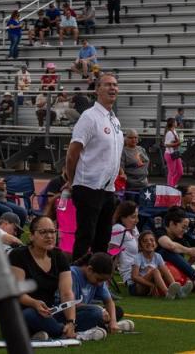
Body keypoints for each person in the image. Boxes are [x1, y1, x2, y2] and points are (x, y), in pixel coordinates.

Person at [64, 73, 122, 260]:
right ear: (97, 90)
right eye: (107, 85)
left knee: (102, 240)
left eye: (115, 85)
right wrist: (72, 181)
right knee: (85, 237)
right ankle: (75, 280)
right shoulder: (89, 117)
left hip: (107, 189)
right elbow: (73, 152)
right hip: (88, 186)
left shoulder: (115, 120)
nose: (112, 88)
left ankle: (98, 283)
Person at [9, 216, 84, 341]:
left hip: (49, 312)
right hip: (25, 311)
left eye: (52, 231)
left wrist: (71, 321)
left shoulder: (59, 256)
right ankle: (68, 332)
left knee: (93, 313)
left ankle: (58, 330)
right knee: (30, 315)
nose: (49, 236)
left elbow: (66, 293)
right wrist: (35, 303)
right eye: (43, 232)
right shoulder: (18, 255)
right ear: (31, 236)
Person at [70, 252, 130, 337]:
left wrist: (112, 320)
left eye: (103, 281)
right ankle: (94, 329)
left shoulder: (98, 280)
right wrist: (99, 309)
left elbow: (109, 301)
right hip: (68, 314)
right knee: (96, 313)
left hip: (86, 311)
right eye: (99, 279)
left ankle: (109, 325)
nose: (100, 284)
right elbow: (71, 303)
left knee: (117, 311)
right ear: (89, 269)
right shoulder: (72, 274)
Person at [129, 230, 183, 299]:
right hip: (137, 288)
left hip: (150, 285)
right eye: (145, 241)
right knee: (155, 271)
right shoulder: (138, 257)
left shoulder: (158, 256)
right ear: (140, 246)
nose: (149, 242)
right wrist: (151, 285)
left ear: (156, 244)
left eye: (152, 240)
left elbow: (165, 271)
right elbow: (134, 277)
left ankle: (178, 289)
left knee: (164, 269)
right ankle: (167, 293)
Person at [119, 129, 149, 196]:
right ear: (126, 138)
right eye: (131, 137)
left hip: (144, 184)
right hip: (131, 187)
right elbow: (121, 168)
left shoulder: (141, 149)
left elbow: (146, 163)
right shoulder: (123, 151)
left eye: (135, 137)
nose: (134, 139)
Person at [162, 118, 183, 187]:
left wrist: (178, 142)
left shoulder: (174, 131)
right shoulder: (169, 133)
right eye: (176, 122)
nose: (177, 123)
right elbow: (166, 144)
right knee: (172, 172)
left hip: (175, 153)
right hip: (170, 154)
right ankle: (170, 186)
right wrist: (177, 143)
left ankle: (172, 184)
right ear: (173, 123)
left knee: (180, 171)